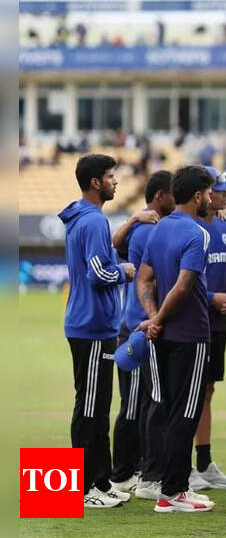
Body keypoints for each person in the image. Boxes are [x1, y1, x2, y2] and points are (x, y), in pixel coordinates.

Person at [135, 165, 216, 513]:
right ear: (197, 196)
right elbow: (183, 286)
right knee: (186, 412)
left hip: (162, 336)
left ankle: (169, 487)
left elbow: (143, 279)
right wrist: (159, 319)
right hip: (190, 334)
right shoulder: (197, 233)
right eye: (209, 193)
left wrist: (153, 317)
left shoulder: (160, 229)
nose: (211, 199)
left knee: (169, 411)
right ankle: (174, 491)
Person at [60, 154, 137, 509]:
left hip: (95, 323)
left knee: (98, 406)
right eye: (110, 176)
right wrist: (124, 271)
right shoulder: (92, 221)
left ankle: (101, 482)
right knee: (90, 408)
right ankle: (83, 488)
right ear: (95, 182)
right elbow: (98, 273)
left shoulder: (87, 217)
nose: (115, 181)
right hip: (90, 326)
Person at [112, 171, 174, 500]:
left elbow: (119, 245)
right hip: (139, 327)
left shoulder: (147, 227)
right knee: (137, 404)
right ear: (161, 195)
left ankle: (135, 469)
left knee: (142, 401)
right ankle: (126, 473)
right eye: (174, 193)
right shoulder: (149, 229)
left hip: (137, 324)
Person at [189, 167, 226, 491]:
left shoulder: (224, 225)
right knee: (190, 393)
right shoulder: (191, 229)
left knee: (207, 390)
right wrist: (211, 298)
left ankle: (204, 462)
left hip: (218, 322)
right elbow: (182, 279)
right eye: (221, 190)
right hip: (194, 321)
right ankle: (185, 464)